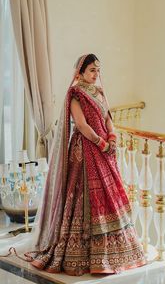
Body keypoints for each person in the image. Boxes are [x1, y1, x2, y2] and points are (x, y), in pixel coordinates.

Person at [25, 54, 146, 276]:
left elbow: (108, 118)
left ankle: (114, 253)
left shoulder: (99, 93)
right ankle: (80, 253)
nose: (96, 74)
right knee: (82, 195)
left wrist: (112, 137)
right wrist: (101, 142)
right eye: (92, 70)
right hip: (85, 150)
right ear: (80, 72)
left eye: (98, 70)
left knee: (109, 196)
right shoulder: (76, 94)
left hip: (104, 150)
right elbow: (80, 125)